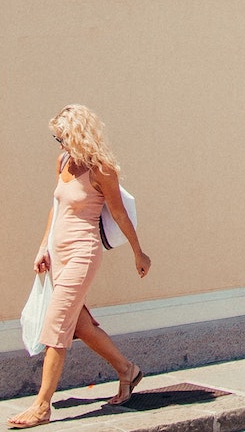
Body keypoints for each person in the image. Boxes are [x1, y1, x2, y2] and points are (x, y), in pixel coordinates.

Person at [7, 105, 152, 429]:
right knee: (81, 326)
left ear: (77, 134)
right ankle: (128, 371)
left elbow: (119, 214)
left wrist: (138, 253)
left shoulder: (102, 170)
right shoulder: (63, 162)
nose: (58, 144)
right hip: (58, 256)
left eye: (62, 137)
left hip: (82, 255)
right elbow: (55, 209)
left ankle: (42, 406)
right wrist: (42, 247)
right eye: (56, 138)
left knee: (56, 327)